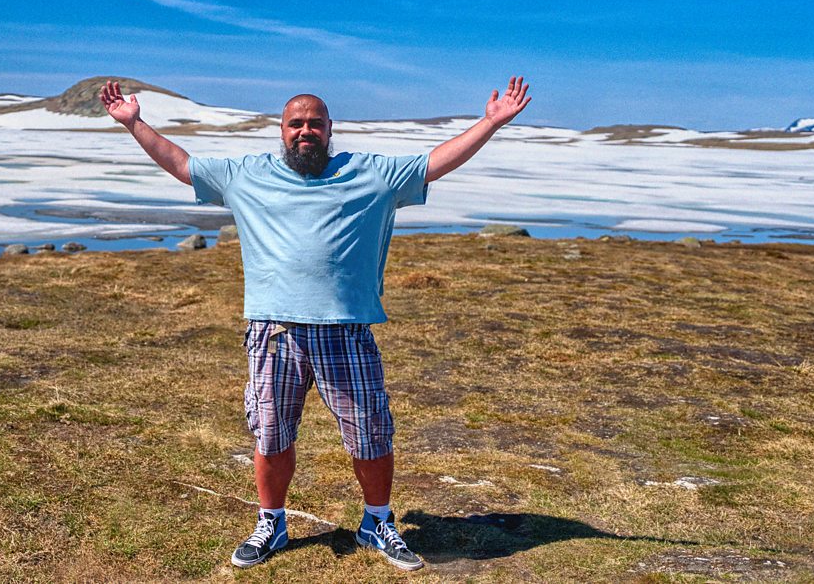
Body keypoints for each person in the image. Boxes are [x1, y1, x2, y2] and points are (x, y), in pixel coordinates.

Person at [100, 77, 531, 571]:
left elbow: (436, 161)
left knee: (370, 432)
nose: (305, 131)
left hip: (345, 330)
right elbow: (182, 165)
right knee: (271, 434)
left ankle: (377, 521)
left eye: (315, 124)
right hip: (274, 332)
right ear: (282, 130)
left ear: (329, 129)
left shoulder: (372, 174)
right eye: (296, 124)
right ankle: (272, 522)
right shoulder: (246, 175)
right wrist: (134, 123)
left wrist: (491, 123)